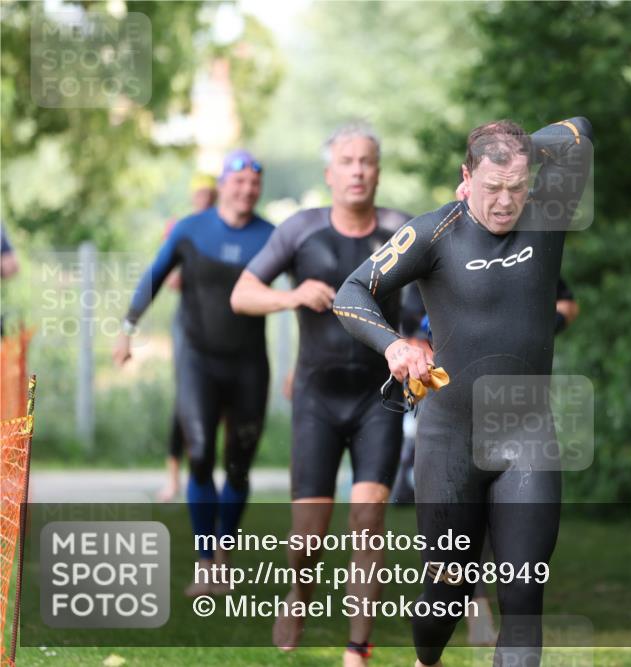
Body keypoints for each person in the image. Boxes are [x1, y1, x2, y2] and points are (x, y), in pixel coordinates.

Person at [334, 116, 592, 667]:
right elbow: (351, 292)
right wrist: (394, 347)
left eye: (516, 187)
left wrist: (516, 151)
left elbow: (580, 132)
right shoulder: (434, 232)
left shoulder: (546, 216)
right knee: (443, 604)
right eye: (492, 187)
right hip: (449, 441)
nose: (505, 202)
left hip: (527, 437)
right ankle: (427, 657)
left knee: (523, 596)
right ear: (465, 177)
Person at [230, 122, 417, 665]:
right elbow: (242, 295)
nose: (358, 170)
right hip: (317, 396)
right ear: (329, 173)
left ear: (377, 171)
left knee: (369, 518)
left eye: (367, 161)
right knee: (307, 536)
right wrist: (293, 297)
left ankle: (358, 645)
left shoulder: (402, 231)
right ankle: (299, 593)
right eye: (348, 162)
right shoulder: (300, 230)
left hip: (379, 396)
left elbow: (445, 282)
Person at [113, 150, 274, 596]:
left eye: (253, 184)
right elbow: (153, 276)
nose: (246, 190)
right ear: (223, 184)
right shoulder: (190, 230)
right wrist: (127, 330)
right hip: (198, 361)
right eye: (238, 182)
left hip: (248, 363)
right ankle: (206, 562)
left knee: (238, 466)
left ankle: (224, 560)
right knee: (200, 454)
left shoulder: (271, 236)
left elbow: (303, 292)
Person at [391, 273, 580, 647]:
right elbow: (409, 333)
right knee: (459, 538)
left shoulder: (525, 258)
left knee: (508, 530)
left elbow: (567, 305)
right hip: (451, 417)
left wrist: (539, 329)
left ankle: (483, 611)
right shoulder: (437, 258)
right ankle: (470, 612)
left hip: (515, 413)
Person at [158, 173, 219, 503]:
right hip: (188, 326)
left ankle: (209, 473)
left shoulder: (228, 228)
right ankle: (173, 479)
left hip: (223, 327)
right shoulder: (180, 227)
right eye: (200, 193)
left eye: (210, 194)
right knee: (185, 400)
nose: (204, 199)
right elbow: (168, 280)